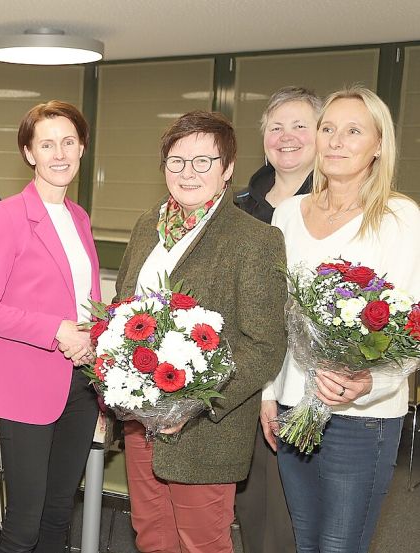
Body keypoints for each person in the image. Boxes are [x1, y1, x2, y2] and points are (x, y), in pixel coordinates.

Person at [114, 111, 288, 553]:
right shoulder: (144, 228)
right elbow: (121, 312)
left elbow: (265, 345)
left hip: (206, 431)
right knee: (151, 537)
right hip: (140, 424)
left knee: (202, 544)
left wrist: (191, 405)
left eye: (202, 161)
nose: (187, 172)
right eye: (176, 161)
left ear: (227, 169)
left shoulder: (255, 240)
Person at [263, 86, 420, 553]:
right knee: (306, 541)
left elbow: (412, 324)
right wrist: (269, 394)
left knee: (339, 546)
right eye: (328, 128)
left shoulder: (400, 217)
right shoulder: (288, 214)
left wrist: (372, 380)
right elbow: (274, 312)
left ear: (378, 145)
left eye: (353, 131)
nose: (335, 140)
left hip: (361, 417)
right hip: (293, 408)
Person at [0, 101, 101, 553]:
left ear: (81, 147)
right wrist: (57, 330)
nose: (59, 153)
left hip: (80, 385)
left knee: (60, 511)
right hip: (25, 386)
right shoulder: (6, 215)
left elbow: (87, 303)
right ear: (29, 152)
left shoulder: (79, 218)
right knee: (24, 522)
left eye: (68, 142)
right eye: (47, 144)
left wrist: (93, 342)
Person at [233, 86, 321, 553]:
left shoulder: (337, 204)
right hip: (243, 375)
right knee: (248, 503)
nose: (286, 137)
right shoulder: (241, 204)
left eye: (300, 125)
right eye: (276, 127)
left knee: (292, 512)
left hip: (307, 381)